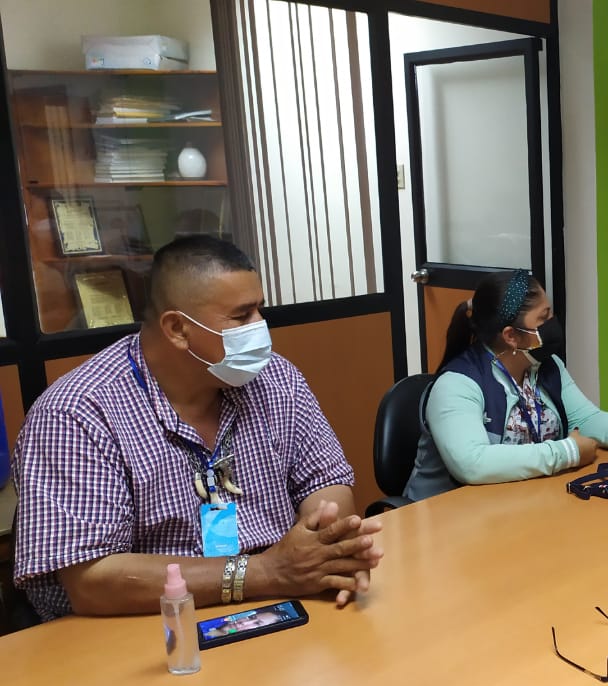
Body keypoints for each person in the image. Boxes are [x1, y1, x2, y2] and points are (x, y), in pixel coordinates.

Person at [12, 235, 382, 621]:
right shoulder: (76, 413)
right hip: (148, 623)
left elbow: (327, 483)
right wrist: (264, 573)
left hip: (282, 604)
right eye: (241, 316)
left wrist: (328, 550)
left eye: (260, 309)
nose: (260, 327)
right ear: (177, 328)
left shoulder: (276, 379)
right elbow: (92, 582)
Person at [405, 269, 608, 500]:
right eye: (543, 318)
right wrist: (566, 452)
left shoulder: (547, 366)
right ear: (511, 336)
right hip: (446, 517)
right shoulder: (457, 384)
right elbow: (472, 463)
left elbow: (585, 420)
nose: (552, 323)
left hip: (516, 505)